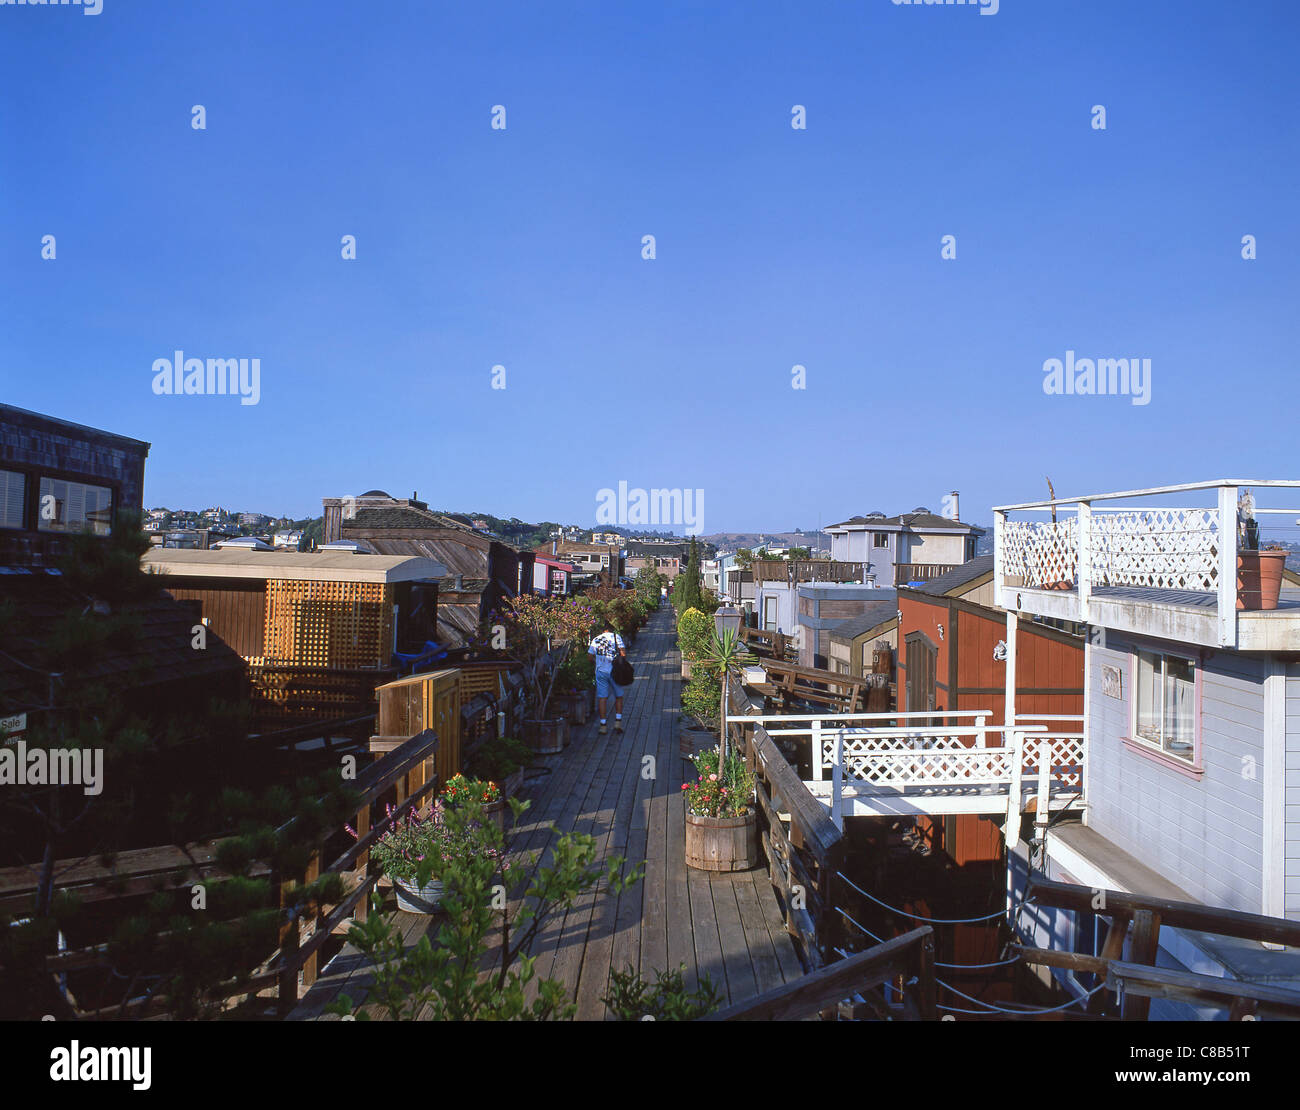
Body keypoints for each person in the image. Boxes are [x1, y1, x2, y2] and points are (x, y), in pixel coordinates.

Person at [587, 621, 628, 735]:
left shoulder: (596, 639)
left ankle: (603, 725)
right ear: (610, 629)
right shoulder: (616, 637)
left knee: (602, 698)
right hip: (615, 672)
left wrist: (598, 661)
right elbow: (623, 654)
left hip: (600, 671)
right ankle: (617, 723)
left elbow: (589, 657)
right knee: (619, 696)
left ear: (603, 630)